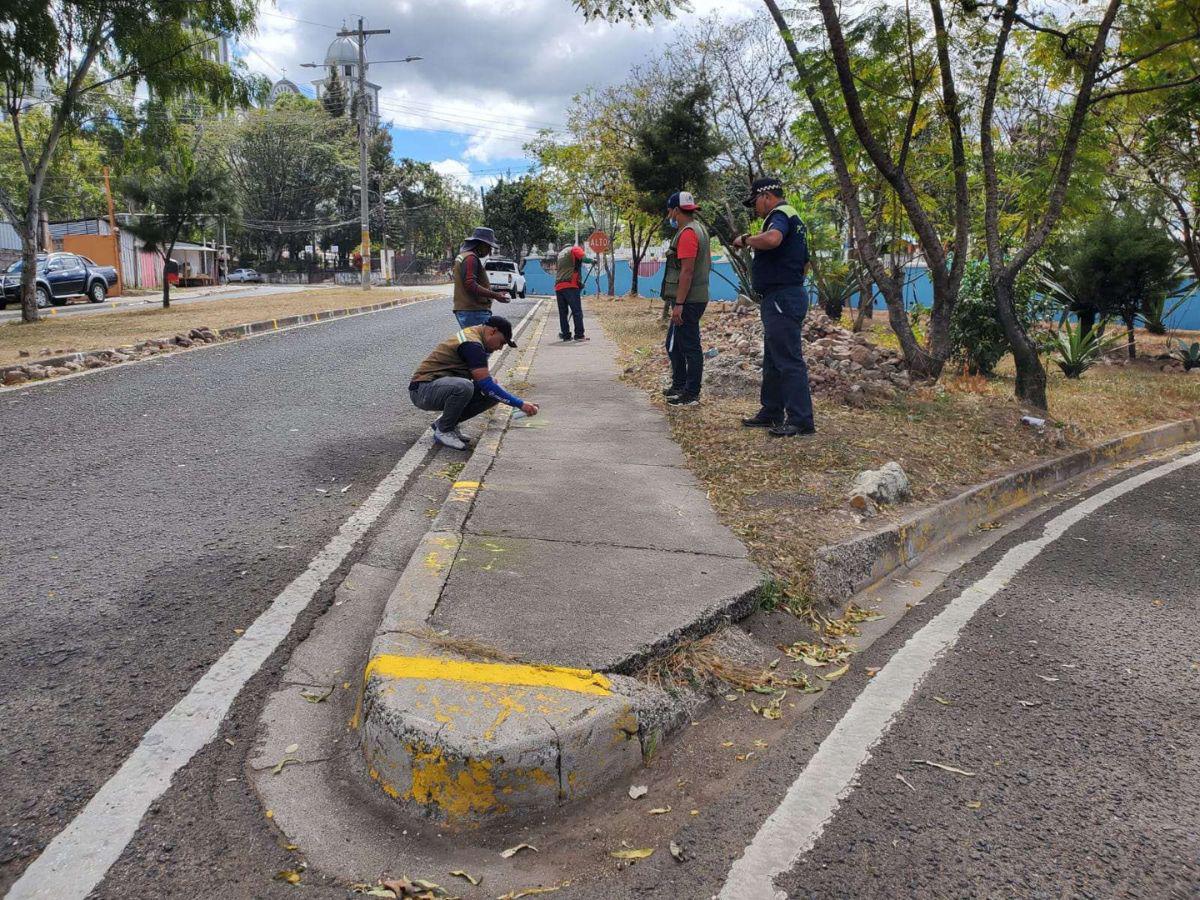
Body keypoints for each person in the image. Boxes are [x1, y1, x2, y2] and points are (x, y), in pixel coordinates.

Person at [732, 177, 815, 438]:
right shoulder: (796, 220)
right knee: (773, 358)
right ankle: (771, 411)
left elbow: (774, 239)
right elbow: (805, 264)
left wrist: (746, 240)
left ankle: (800, 420)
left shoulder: (780, 215)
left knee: (788, 359)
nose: (755, 208)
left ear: (766, 196)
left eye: (755, 201)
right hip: (784, 295)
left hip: (782, 297)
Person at [409, 315, 539, 450]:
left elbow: (488, 384)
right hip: (422, 390)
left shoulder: (476, 336)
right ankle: (444, 430)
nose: (500, 348)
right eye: (501, 342)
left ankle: (444, 424)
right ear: (493, 331)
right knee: (465, 387)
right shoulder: (472, 344)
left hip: (438, 386)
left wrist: (493, 387)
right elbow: (486, 385)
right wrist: (520, 404)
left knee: (492, 392)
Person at [661, 191, 711, 407]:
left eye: (670, 212)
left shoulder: (688, 234)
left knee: (689, 346)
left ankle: (691, 393)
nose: (669, 216)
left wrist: (679, 304)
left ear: (675, 211)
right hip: (693, 297)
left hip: (689, 300)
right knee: (674, 345)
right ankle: (680, 385)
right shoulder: (697, 229)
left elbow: (687, 271)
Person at [452, 227, 511, 328]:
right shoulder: (471, 258)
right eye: (488, 246)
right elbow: (470, 284)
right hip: (473, 311)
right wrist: (495, 295)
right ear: (480, 244)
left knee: (473, 342)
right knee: (488, 341)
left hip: (467, 310)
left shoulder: (463, 256)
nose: (489, 251)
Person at [554, 243, 593, 342]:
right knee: (577, 312)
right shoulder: (574, 249)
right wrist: (593, 261)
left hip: (559, 286)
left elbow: (567, 270)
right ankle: (579, 335)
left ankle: (566, 335)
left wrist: (578, 284)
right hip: (570, 286)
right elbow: (584, 259)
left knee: (563, 313)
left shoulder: (560, 255)